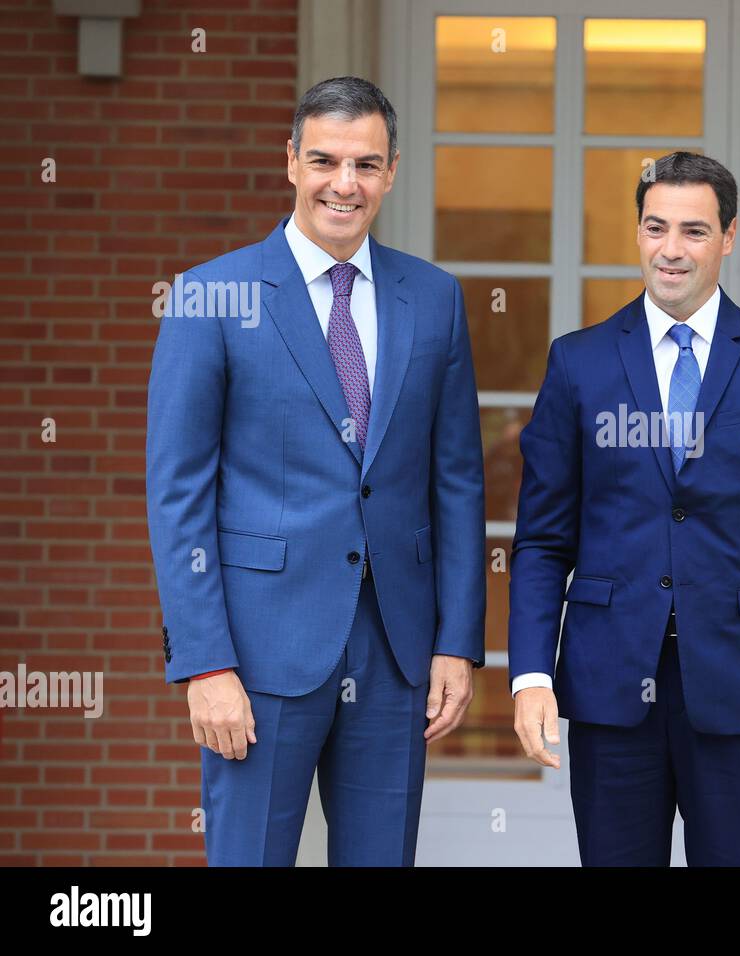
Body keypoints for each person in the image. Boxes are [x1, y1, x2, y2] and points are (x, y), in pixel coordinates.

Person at [145, 76, 485, 866]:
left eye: (366, 164)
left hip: (396, 651)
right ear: (291, 161)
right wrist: (204, 661)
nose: (345, 183)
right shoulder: (211, 297)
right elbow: (178, 493)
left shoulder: (432, 299)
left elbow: (458, 481)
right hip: (259, 654)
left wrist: (456, 644)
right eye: (325, 160)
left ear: (392, 171)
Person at [509, 152, 740, 866]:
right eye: (656, 227)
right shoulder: (578, 363)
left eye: (694, 231)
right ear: (638, 233)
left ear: (729, 237)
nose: (671, 249)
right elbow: (543, 541)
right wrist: (530, 677)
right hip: (610, 686)